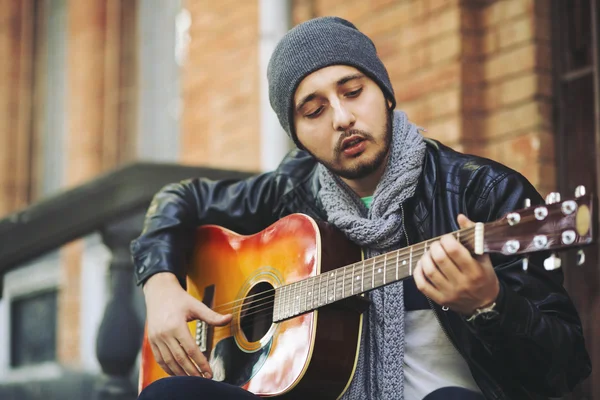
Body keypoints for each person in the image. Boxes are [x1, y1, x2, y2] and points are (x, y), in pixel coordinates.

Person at [133, 16, 591, 400]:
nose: (342, 118)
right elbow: (178, 198)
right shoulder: (290, 191)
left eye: (353, 91)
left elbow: (565, 368)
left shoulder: (484, 194)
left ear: (385, 94)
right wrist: (160, 286)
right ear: (298, 136)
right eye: (313, 111)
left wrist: (489, 304)